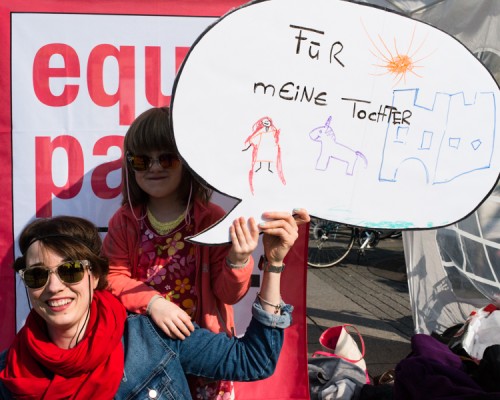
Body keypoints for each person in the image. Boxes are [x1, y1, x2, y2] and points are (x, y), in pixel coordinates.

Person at [0, 209, 309, 399]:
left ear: (93, 276)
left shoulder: (149, 337)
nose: (54, 287)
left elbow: (254, 361)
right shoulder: (10, 371)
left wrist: (273, 264)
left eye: (70, 271)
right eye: (38, 275)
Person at [102, 106, 260, 397]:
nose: (154, 167)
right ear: (131, 165)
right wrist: (153, 303)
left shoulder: (210, 219)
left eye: (167, 158)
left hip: (203, 351)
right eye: (142, 159)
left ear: (187, 161)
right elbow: (112, 276)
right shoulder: (125, 221)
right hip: (148, 355)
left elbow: (228, 294)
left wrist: (238, 261)